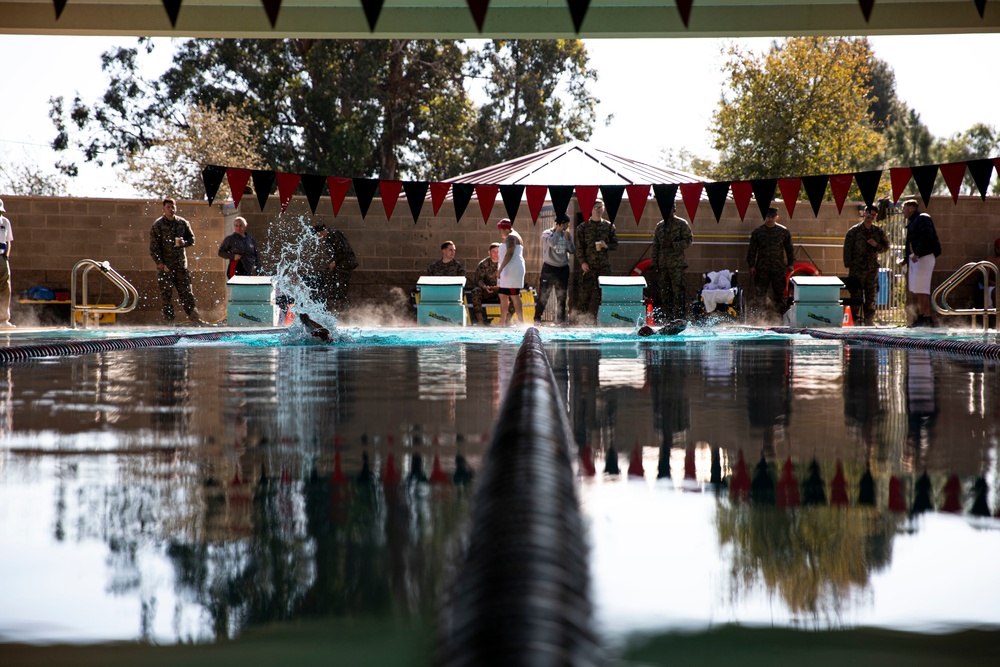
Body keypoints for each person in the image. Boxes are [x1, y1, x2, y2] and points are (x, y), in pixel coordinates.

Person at [149, 197, 201, 324]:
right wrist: (159, 263)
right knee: (166, 295)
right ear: (163, 208)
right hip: (166, 267)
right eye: (168, 207)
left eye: (173, 207)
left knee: (187, 293)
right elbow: (154, 247)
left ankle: (194, 318)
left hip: (180, 265)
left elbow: (192, 239)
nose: (171, 209)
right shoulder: (158, 225)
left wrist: (185, 242)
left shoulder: (182, 223)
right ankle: (169, 321)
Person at [842, 204, 890, 326]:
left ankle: (869, 320)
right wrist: (850, 265)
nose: (870, 217)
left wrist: (876, 245)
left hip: (871, 270)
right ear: (864, 213)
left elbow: (886, 247)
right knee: (856, 296)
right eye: (869, 214)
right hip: (857, 270)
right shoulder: (854, 231)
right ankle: (856, 321)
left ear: (876, 216)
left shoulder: (878, 232)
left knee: (871, 296)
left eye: (873, 215)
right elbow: (847, 249)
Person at [746, 207, 795, 320]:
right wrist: (751, 265)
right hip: (762, 269)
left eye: (772, 217)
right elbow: (752, 251)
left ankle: (782, 319)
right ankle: (759, 319)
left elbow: (789, 249)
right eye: (768, 217)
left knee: (779, 295)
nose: (770, 219)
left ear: (776, 217)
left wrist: (791, 264)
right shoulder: (758, 232)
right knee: (760, 295)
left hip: (778, 268)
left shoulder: (783, 232)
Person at [575, 199, 619, 323]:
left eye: (601, 207)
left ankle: (605, 321)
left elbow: (615, 244)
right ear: (591, 209)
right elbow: (579, 247)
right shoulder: (583, 227)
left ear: (604, 209)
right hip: (588, 266)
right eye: (596, 207)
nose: (598, 210)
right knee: (584, 296)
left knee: (605, 295)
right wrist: (582, 262)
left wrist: (607, 246)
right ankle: (582, 322)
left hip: (603, 266)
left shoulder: (609, 226)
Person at [650, 202, 693, 321]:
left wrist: (673, 245)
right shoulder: (659, 226)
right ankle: (668, 320)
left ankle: (679, 319)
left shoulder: (681, 224)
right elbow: (656, 246)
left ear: (674, 209)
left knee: (678, 293)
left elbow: (688, 240)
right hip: (663, 266)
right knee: (665, 294)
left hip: (676, 266)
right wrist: (655, 263)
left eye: (669, 208)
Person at [902, 199, 941, 327]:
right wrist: (906, 258)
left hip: (923, 257)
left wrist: (918, 252)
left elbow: (926, 236)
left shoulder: (923, 218)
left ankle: (926, 315)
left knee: (923, 288)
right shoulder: (913, 222)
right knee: (918, 288)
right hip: (916, 258)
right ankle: (922, 314)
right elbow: (910, 243)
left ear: (911, 208)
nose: (903, 211)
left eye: (904, 208)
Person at [535, 212, 576, 325]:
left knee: (561, 295)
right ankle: (537, 319)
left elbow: (572, 251)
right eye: (566, 224)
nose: (567, 227)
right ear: (560, 224)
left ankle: (561, 320)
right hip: (549, 268)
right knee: (544, 294)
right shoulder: (547, 233)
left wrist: (568, 240)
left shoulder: (566, 234)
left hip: (562, 269)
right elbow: (552, 243)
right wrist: (558, 230)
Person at [311, 224, 358, 316]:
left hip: (345, 265)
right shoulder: (331, 236)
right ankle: (338, 310)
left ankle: (342, 312)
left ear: (321, 232)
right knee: (335, 287)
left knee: (340, 288)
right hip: (342, 265)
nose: (318, 237)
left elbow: (343, 250)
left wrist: (334, 261)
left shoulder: (333, 235)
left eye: (317, 234)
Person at [469, 242, 513, 325]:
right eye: (494, 251)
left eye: (498, 251)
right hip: (487, 290)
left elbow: (510, 279)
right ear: (489, 252)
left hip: (502, 290)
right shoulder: (483, 264)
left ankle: (506, 320)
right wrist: (484, 286)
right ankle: (481, 320)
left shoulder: (506, 264)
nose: (496, 254)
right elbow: (478, 280)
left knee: (515, 293)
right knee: (475, 291)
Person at [496, 218, 526, 326]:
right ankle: (502, 321)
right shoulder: (512, 235)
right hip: (508, 270)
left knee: (514, 295)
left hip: (512, 270)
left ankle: (521, 321)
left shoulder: (511, 237)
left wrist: (500, 269)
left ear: (506, 229)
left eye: (500, 229)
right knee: (503, 294)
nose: (499, 232)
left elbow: (510, 253)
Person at [0, 198, 13, 328]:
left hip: (2, 257)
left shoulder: (5, 222)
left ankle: (3, 319)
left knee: (5, 288)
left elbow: (8, 241)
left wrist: (6, 257)